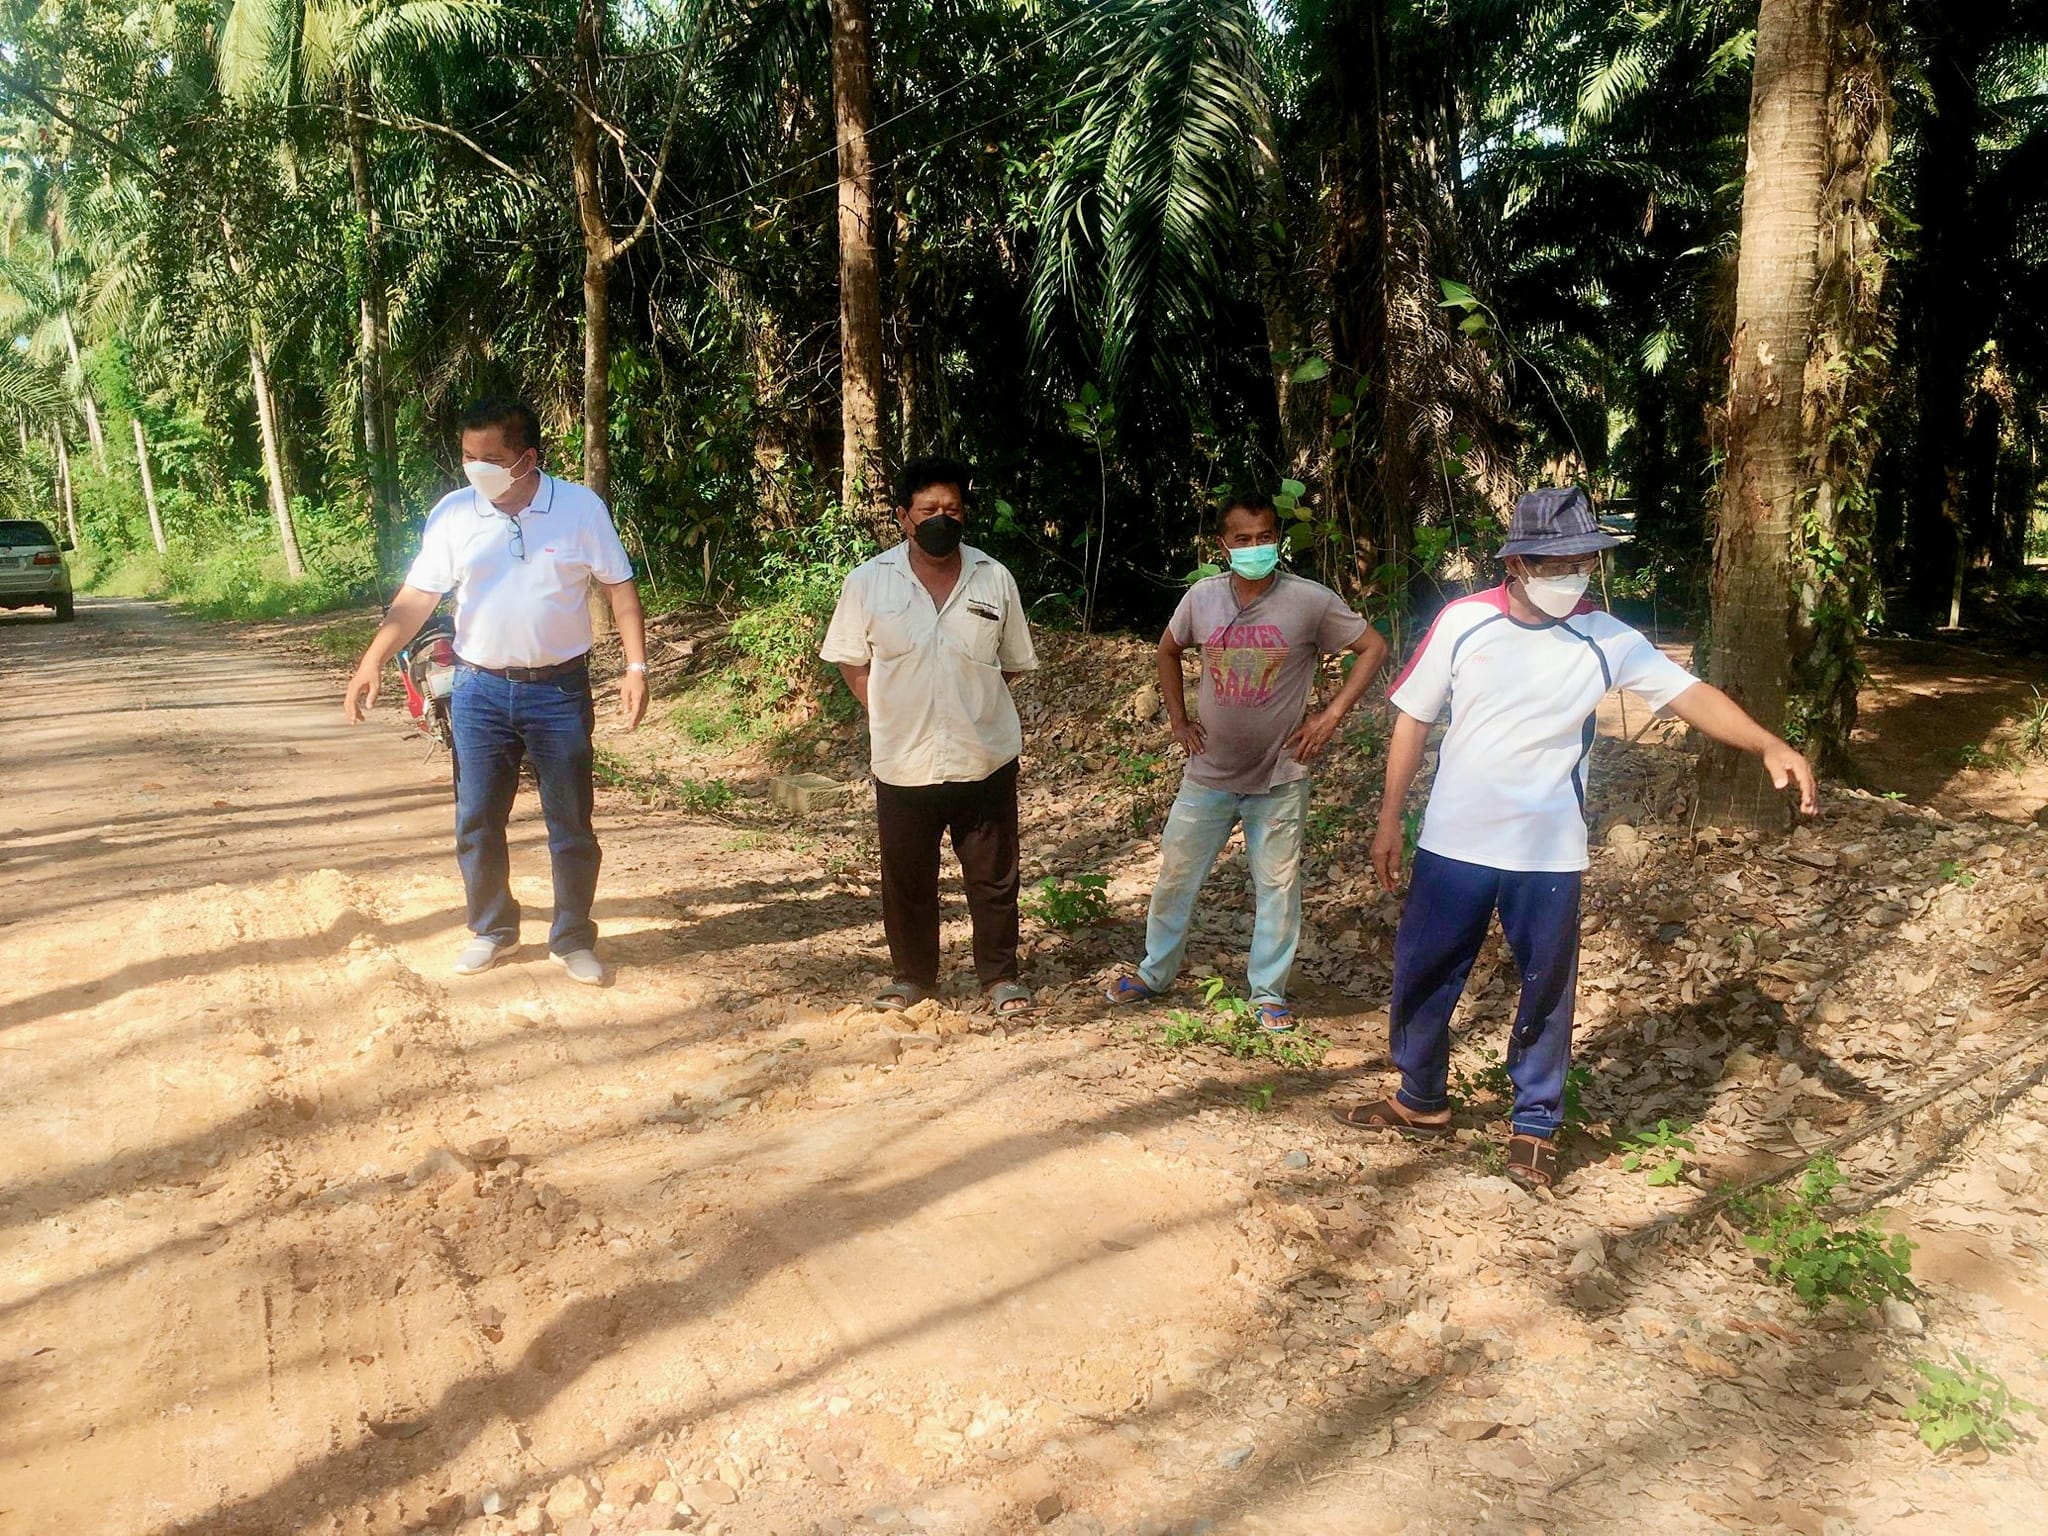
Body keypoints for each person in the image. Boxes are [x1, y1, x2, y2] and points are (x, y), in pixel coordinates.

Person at [1334, 486, 1818, 1188]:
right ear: (1519, 565)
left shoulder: (1607, 638)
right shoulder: (1463, 622)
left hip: (1547, 849)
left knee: (1544, 988)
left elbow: (1691, 695)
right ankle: (1420, 1098)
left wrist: (1768, 743)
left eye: (1584, 561)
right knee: (1424, 969)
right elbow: (1412, 718)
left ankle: (1534, 1124)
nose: (1574, 575)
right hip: (1454, 841)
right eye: (1559, 563)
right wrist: (1389, 819)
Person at [342, 396, 649, 985]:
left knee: (571, 822)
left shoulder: (579, 508)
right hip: (479, 690)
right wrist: (372, 659)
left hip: (558, 691)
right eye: (466, 456)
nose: (474, 468)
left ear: (526, 458)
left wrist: (636, 669)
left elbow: (620, 589)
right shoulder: (455, 514)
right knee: (477, 818)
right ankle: (492, 930)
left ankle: (572, 938)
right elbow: (416, 599)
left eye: (489, 458)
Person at [1106, 492, 1390, 1030]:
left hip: (1280, 774)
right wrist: (1178, 720)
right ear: (1223, 544)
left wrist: (1329, 717)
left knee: (1277, 885)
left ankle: (1267, 992)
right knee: (1176, 875)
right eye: (1243, 539)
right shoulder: (1202, 599)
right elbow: (1168, 650)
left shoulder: (1310, 601)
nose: (1255, 548)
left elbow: (1372, 647)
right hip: (1208, 772)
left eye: (1264, 538)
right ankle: (1155, 972)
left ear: (1277, 540)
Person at [822, 456, 1039, 1015]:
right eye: (929, 510)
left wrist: (966, 698)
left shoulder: (994, 577)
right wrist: (889, 711)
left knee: (993, 876)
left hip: (983, 754)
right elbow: (851, 660)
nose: (942, 518)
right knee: (907, 877)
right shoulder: (869, 582)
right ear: (902, 517)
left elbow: (1009, 662)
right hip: (903, 760)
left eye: (953, 509)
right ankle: (913, 978)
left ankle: (1000, 977)